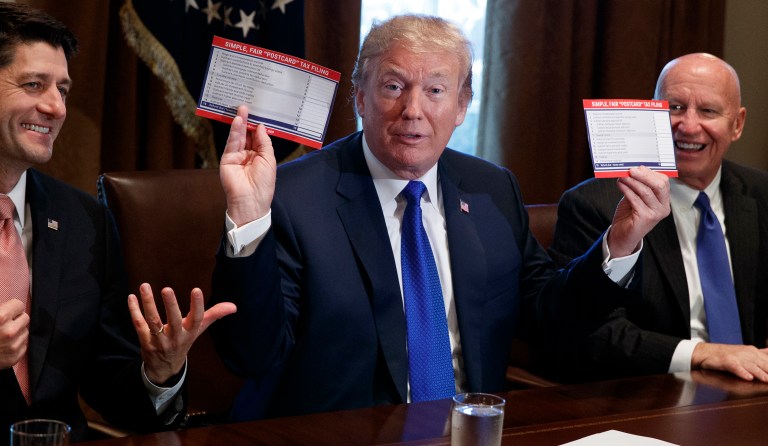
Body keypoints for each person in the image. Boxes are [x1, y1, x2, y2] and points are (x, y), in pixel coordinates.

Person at [208, 14, 670, 421]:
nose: (413, 110)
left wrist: (620, 242)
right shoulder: (292, 195)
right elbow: (251, 355)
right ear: (360, 99)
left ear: (461, 106)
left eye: (435, 90)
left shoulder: (491, 189)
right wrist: (249, 218)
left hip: (469, 432)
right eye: (393, 86)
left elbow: (551, 320)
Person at [0, 3, 236, 442]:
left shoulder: (82, 220)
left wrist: (159, 374)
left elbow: (111, 387)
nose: (56, 107)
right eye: (34, 85)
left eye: (64, 90)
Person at [549, 53, 768, 383]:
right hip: (652, 394)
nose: (689, 125)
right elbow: (592, 334)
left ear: (737, 124)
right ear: (650, 114)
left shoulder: (761, 193)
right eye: (675, 107)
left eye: (708, 111)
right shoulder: (594, 204)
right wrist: (704, 353)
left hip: (750, 386)